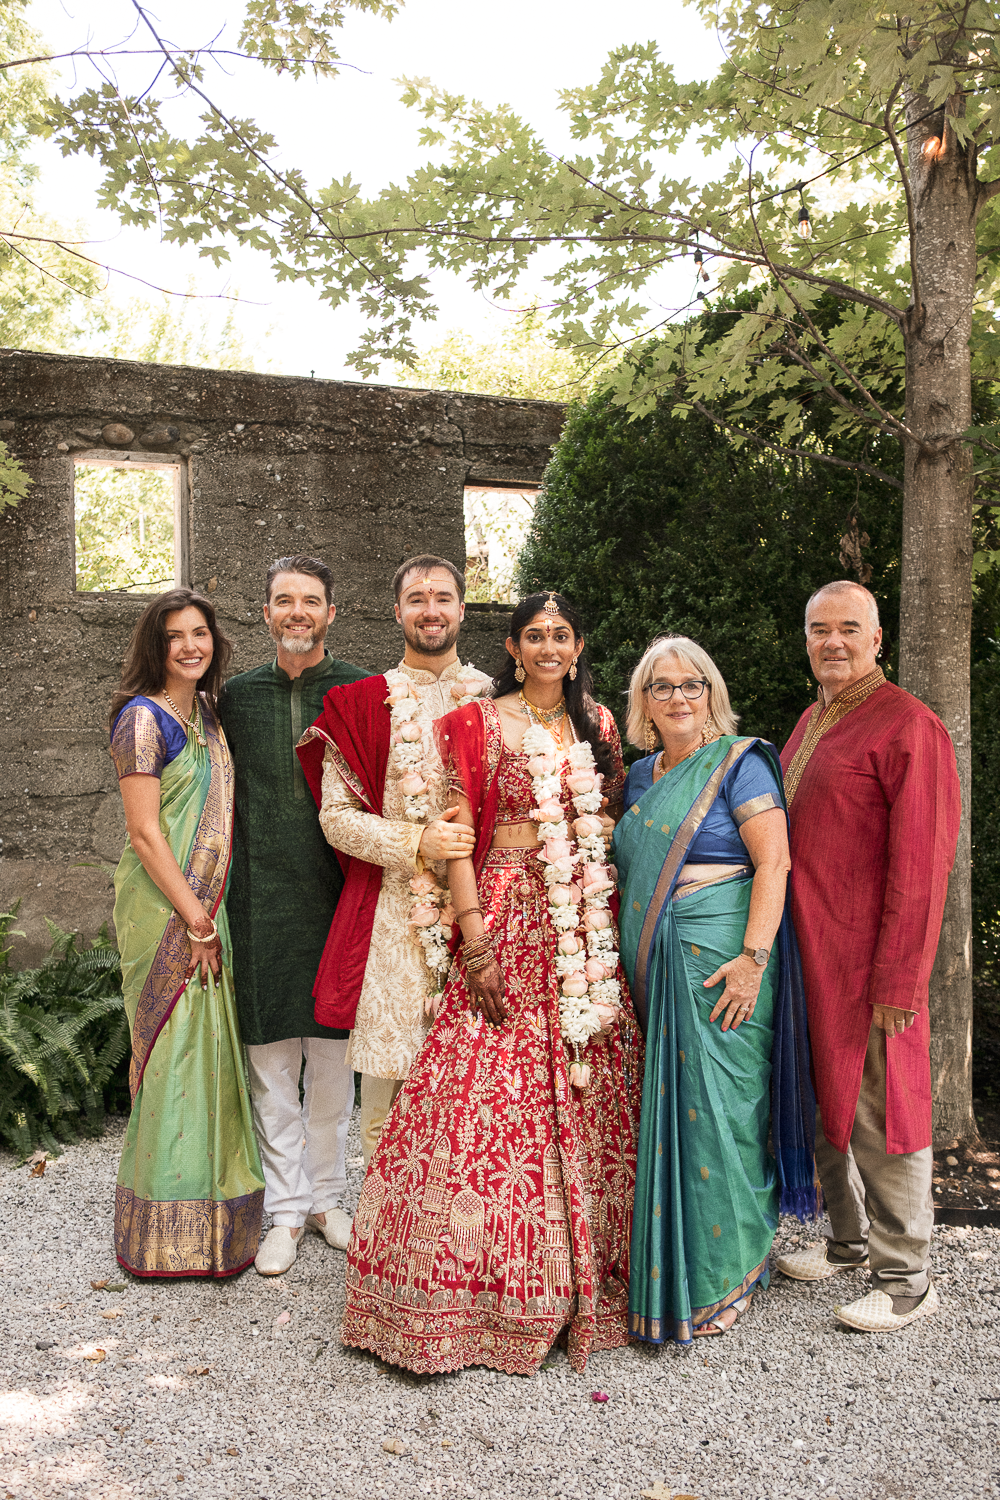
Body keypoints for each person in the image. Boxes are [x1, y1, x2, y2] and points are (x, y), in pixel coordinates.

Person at [337, 591, 643, 1377]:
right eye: (534, 635)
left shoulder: (601, 725)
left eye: (562, 635)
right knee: (480, 1085)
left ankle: (598, 1277)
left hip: (581, 921)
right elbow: (460, 834)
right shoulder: (474, 722)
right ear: (511, 646)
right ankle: (467, 1290)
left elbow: (610, 820)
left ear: (577, 647)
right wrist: (475, 939)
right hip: (505, 907)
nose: (548, 647)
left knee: (595, 1086)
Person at [613, 634, 816, 1344]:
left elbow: (777, 863)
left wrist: (755, 959)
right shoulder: (639, 779)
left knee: (727, 1110)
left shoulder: (742, 763)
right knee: (675, 1112)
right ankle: (681, 1267)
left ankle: (735, 1266)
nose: (677, 697)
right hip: (657, 967)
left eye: (690, 684)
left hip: (725, 962)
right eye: (660, 686)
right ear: (643, 701)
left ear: (711, 694)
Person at [774, 580, 960, 1333]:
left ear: (878, 639)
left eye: (850, 628)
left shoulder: (909, 726)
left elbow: (922, 866)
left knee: (885, 1118)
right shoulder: (814, 718)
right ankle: (848, 1244)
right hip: (809, 958)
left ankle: (907, 1278)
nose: (834, 642)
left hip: (869, 966)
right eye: (821, 629)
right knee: (827, 1111)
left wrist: (899, 978)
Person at [296, 556, 491, 1165]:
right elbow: (336, 819)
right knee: (390, 1100)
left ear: (462, 608)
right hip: (393, 921)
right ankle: (388, 1246)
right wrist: (417, 845)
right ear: (397, 611)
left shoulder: (497, 697)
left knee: (484, 1095)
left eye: (442, 598)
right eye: (416, 598)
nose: (430, 610)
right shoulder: (359, 703)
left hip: (490, 913)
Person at [219, 556, 368, 1277]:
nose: (298, 611)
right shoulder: (235, 699)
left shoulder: (362, 692)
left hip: (340, 901)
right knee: (271, 1067)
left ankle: (328, 1200)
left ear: (331, 612)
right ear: (268, 611)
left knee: (335, 1067)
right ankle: (284, 1210)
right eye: (285, 600)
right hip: (259, 903)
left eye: (312, 600)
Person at [108, 589, 264, 1277]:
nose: (191, 646)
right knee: (173, 1051)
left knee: (207, 1048)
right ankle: (161, 1228)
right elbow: (145, 833)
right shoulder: (143, 720)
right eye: (176, 636)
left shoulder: (204, 713)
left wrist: (208, 915)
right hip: (169, 909)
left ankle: (213, 1215)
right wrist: (195, 919)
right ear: (156, 646)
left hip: (206, 907)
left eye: (201, 633)